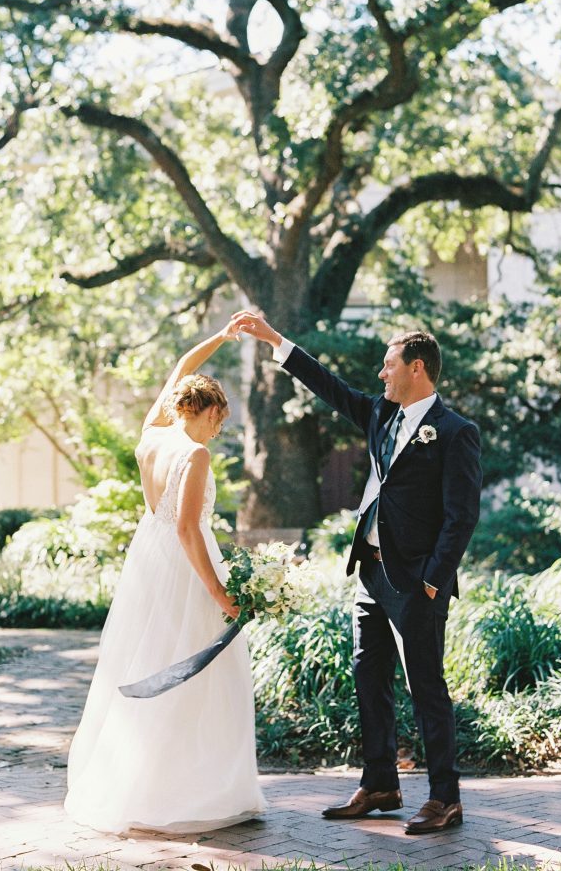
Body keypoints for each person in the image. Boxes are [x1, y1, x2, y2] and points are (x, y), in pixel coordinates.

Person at [232, 310, 481, 835]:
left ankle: (446, 797)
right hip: (370, 573)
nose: (381, 375)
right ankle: (381, 784)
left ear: (417, 368)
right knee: (369, 678)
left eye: (389, 366)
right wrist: (277, 339)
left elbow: (462, 518)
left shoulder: (456, 433)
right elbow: (329, 385)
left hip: (416, 583)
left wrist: (433, 581)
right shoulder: (379, 416)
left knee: (427, 688)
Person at [64, 323, 266, 835]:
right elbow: (187, 528)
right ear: (206, 410)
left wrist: (220, 336)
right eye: (219, 419)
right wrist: (219, 591)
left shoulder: (152, 434)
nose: (218, 431)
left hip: (148, 564)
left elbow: (180, 368)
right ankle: (190, 790)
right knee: (201, 676)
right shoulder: (194, 454)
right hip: (184, 567)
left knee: (148, 660)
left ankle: (140, 782)